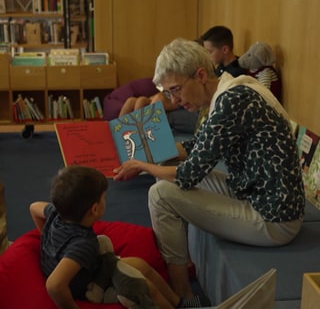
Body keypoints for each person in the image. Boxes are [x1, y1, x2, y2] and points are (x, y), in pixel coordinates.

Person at [113, 38, 305, 303]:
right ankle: (179, 267)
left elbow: (188, 175)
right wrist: (148, 152)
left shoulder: (232, 100)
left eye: (176, 89)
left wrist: (141, 165)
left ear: (201, 75)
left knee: (161, 194)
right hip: (253, 192)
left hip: (273, 218)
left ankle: (181, 294)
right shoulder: (229, 89)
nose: (174, 100)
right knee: (165, 170)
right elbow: (196, 146)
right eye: (168, 93)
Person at [29, 165, 200, 309]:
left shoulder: (56, 213)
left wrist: (46, 241)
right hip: (91, 287)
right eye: (104, 198)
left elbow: (34, 207)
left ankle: (180, 303)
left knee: (139, 264)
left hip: (92, 269)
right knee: (145, 286)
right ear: (94, 209)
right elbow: (54, 285)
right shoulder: (82, 244)